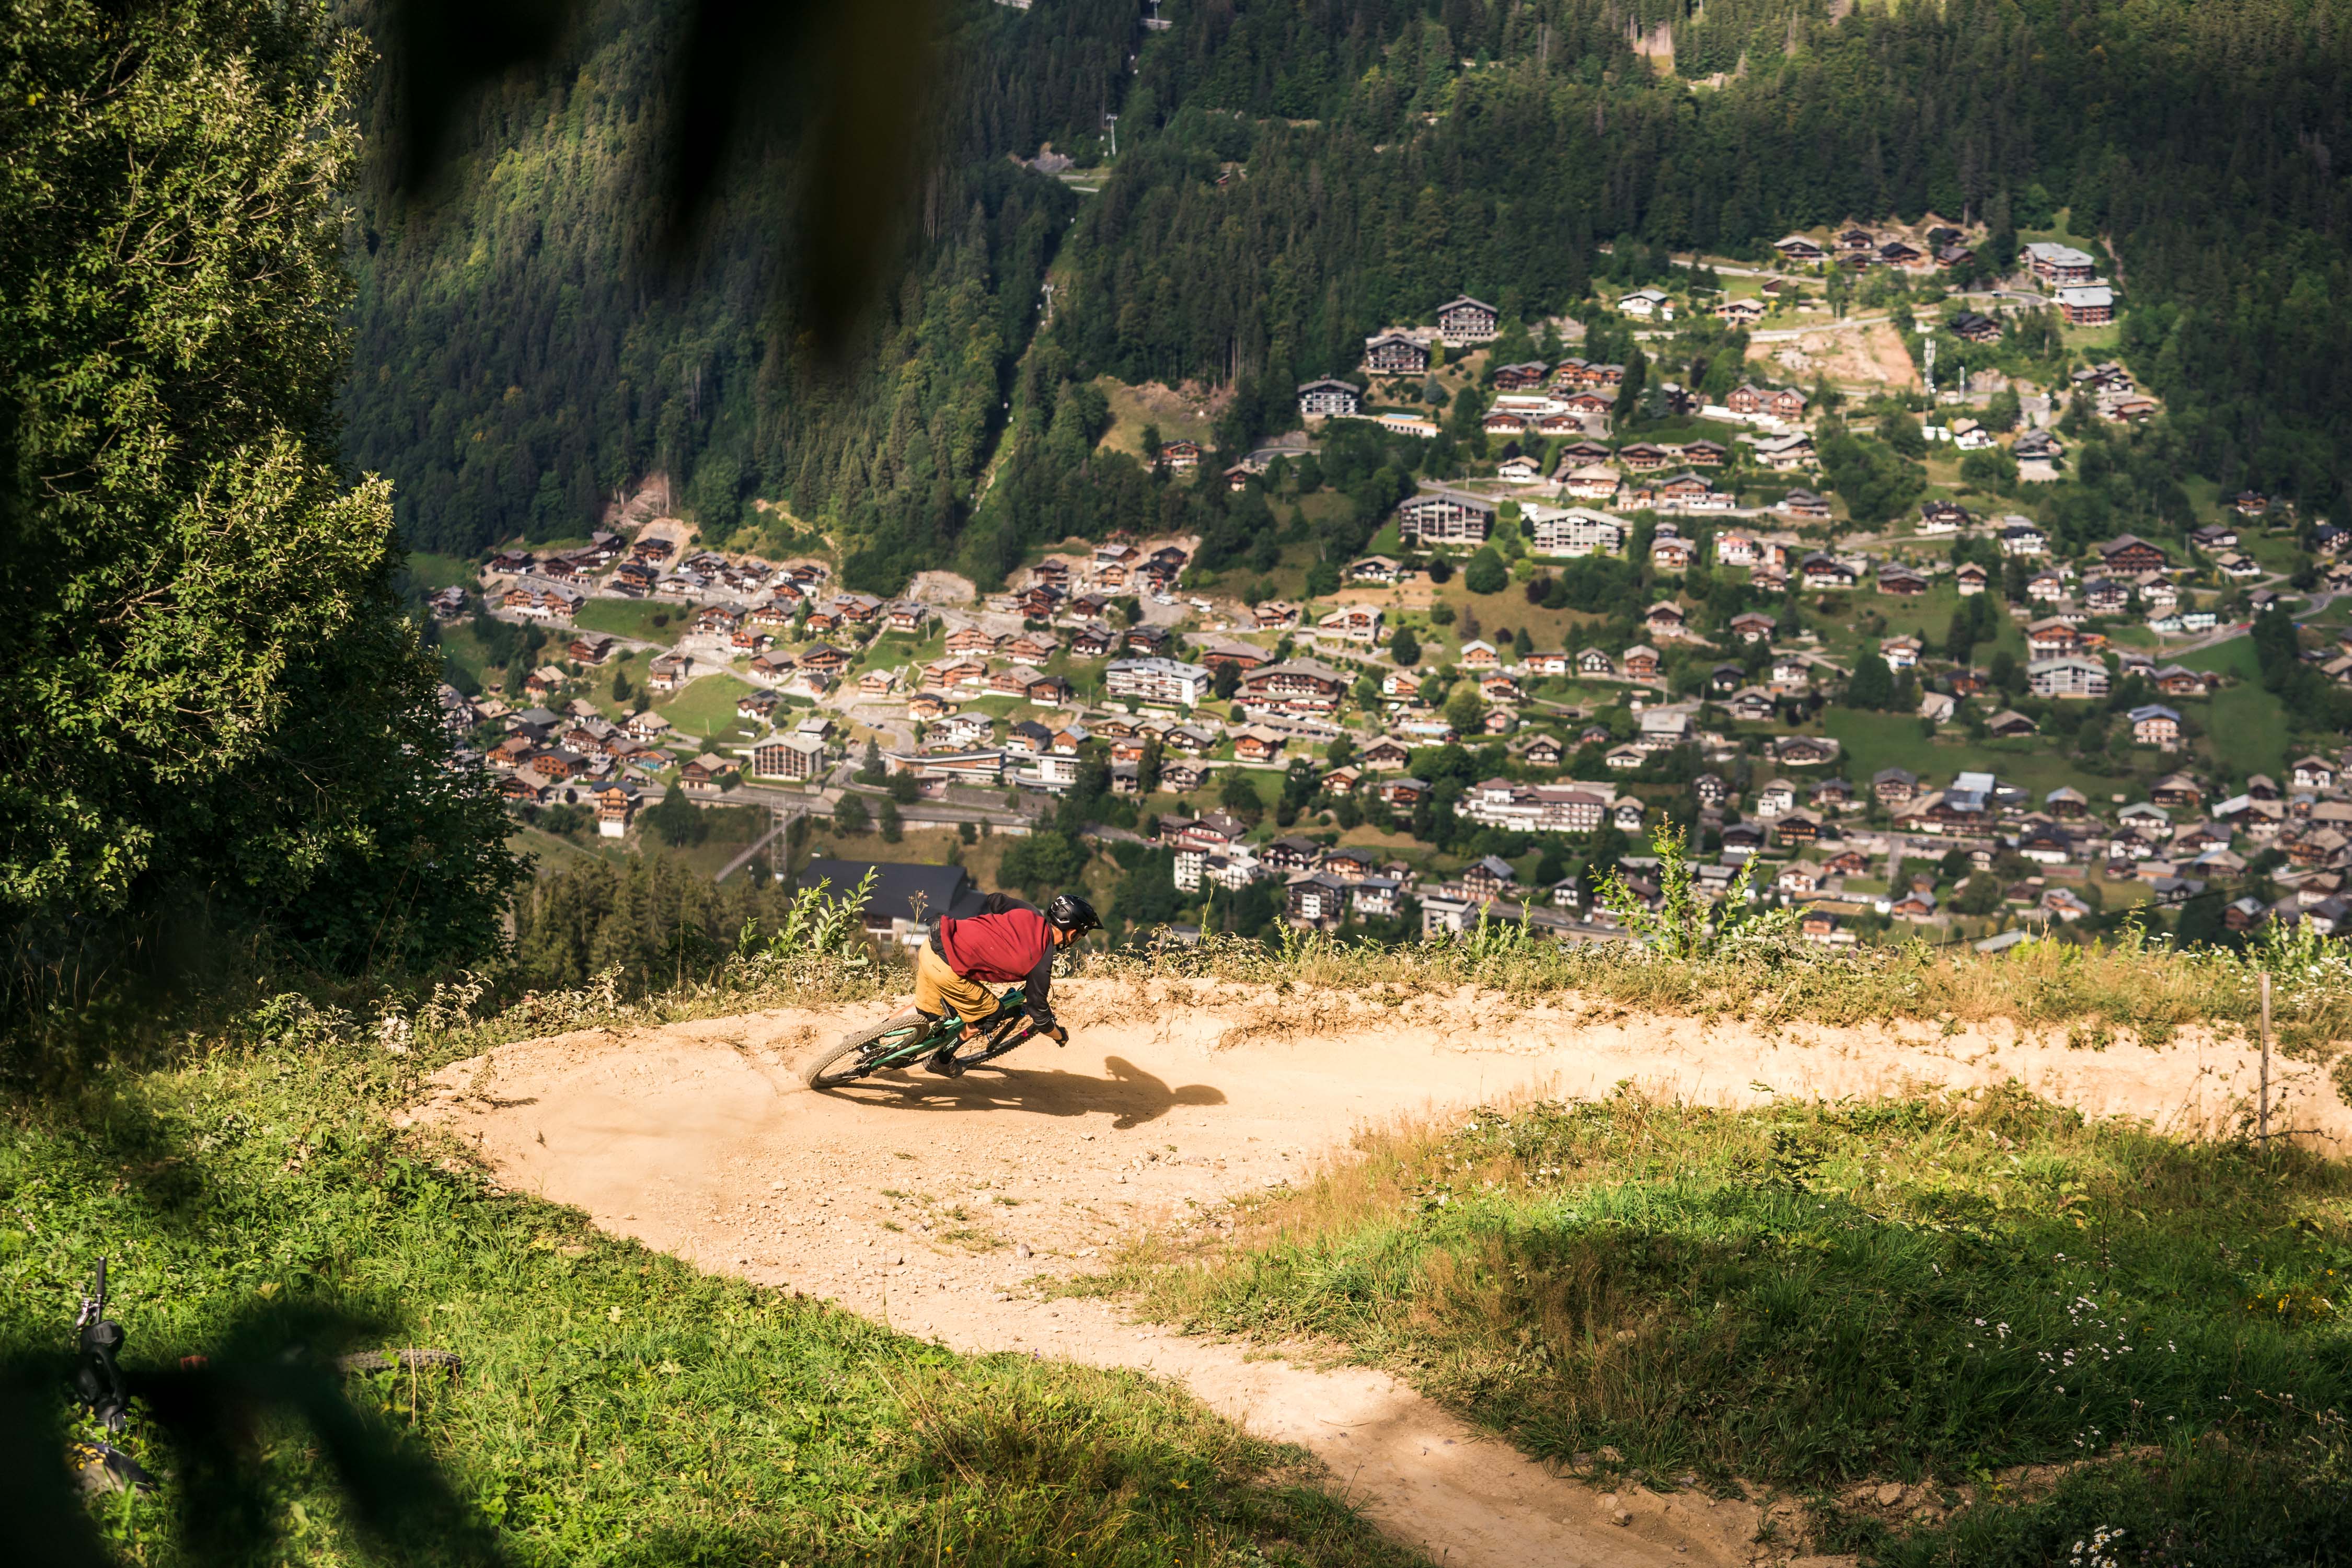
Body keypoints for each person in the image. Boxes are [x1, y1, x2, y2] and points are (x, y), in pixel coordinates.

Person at [909, 891, 1099, 1075]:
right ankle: (941, 1059)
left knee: (925, 1013)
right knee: (990, 1015)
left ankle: (890, 1043)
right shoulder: (1041, 962)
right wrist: (1060, 1035)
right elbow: (1041, 1018)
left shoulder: (1030, 911)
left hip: (934, 942)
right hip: (947, 970)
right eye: (1080, 936)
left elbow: (995, 899)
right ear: (1072, 933)